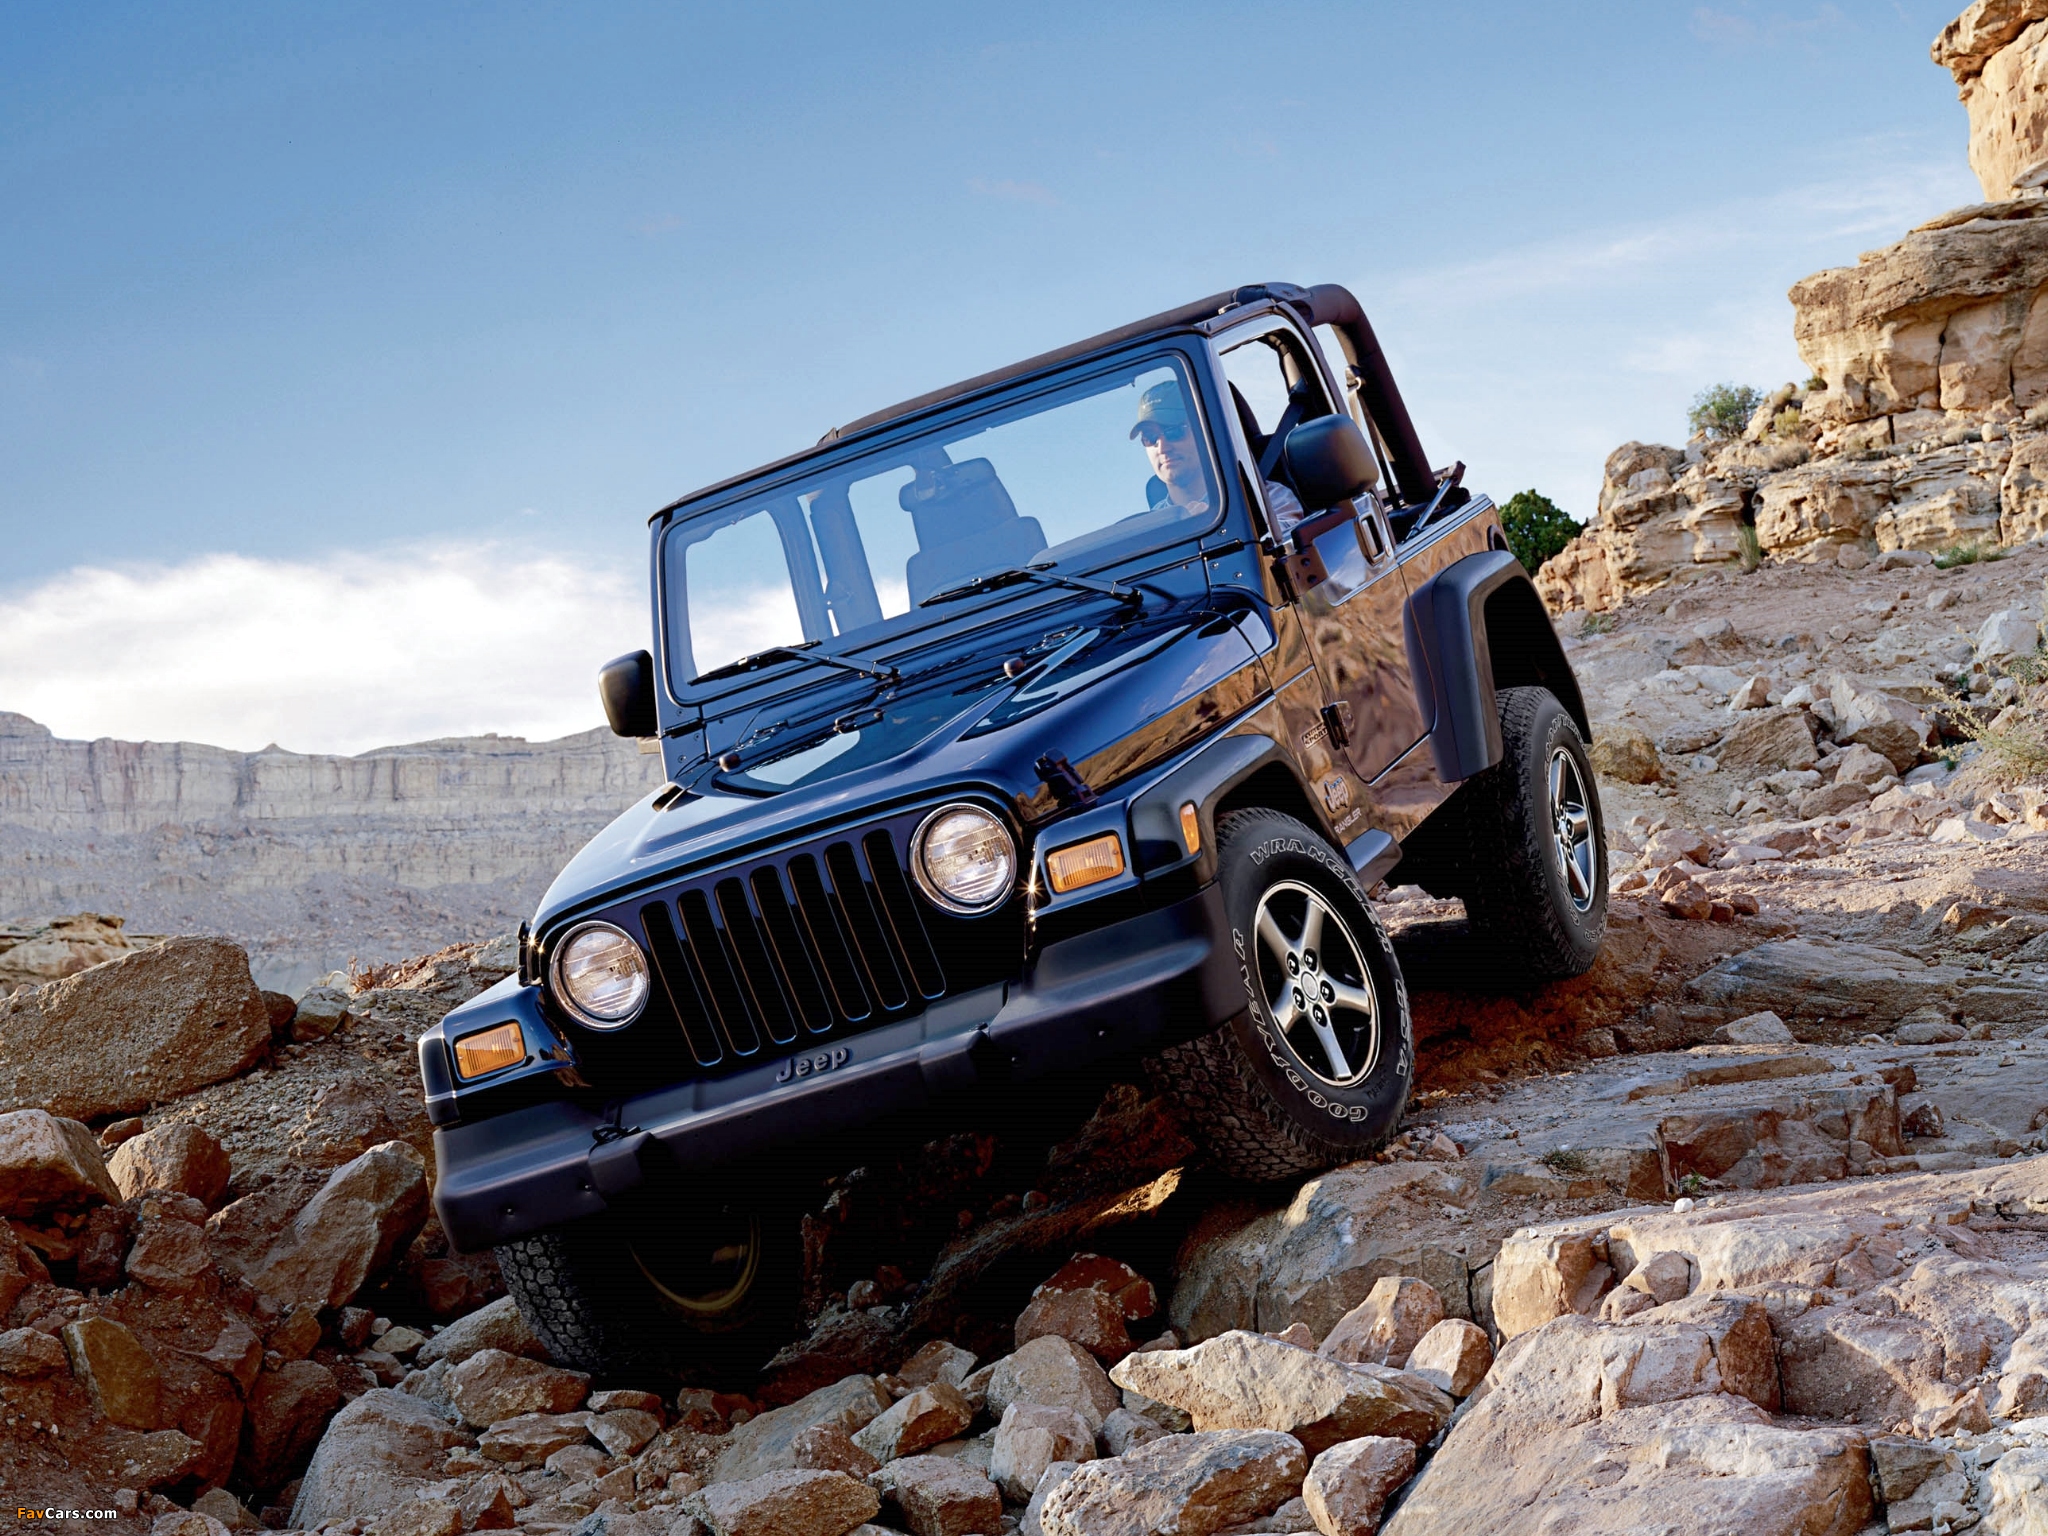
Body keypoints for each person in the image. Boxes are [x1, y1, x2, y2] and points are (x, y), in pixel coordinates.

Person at [1131, 381, 1306, 537]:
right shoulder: (1150, 529)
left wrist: (1213, 528)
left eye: (1174, 431)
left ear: (1204, 432)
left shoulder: (1263, 499)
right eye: (1150, 437)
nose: (1162, 447)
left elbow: (1286, 540)